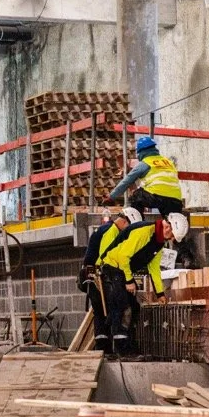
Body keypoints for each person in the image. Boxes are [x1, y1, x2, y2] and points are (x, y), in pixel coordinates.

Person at [97, 212, 188, 356]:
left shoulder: (158, 243)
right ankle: (122, 350)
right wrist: (128, 281)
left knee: (134, 307)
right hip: (112, 267)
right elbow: (123, 256)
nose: (171, 240)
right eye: (172, 237)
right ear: (168, 228)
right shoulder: (144, 232)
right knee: (122, 306)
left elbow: (154, 270)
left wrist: (160, 294)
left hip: (122, 270)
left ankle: (128, 346)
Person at [79, 207, 141, 351]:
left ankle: (103, 350)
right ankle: (119, 349)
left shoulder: (105, 229)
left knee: (100, 313)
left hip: (92, 274)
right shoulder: (111, 232)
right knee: (116, 308)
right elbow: (108, 260)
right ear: (125, 222)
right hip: (99, 276)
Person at [106, 136, 185, 217]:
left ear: (140, 152)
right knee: (172, 222)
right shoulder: (168, 162)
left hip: (156, 197)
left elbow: (127, 181)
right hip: (175, 199)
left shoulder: (145, 163)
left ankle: (137, 223)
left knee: (136, 197)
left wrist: (112, 196)